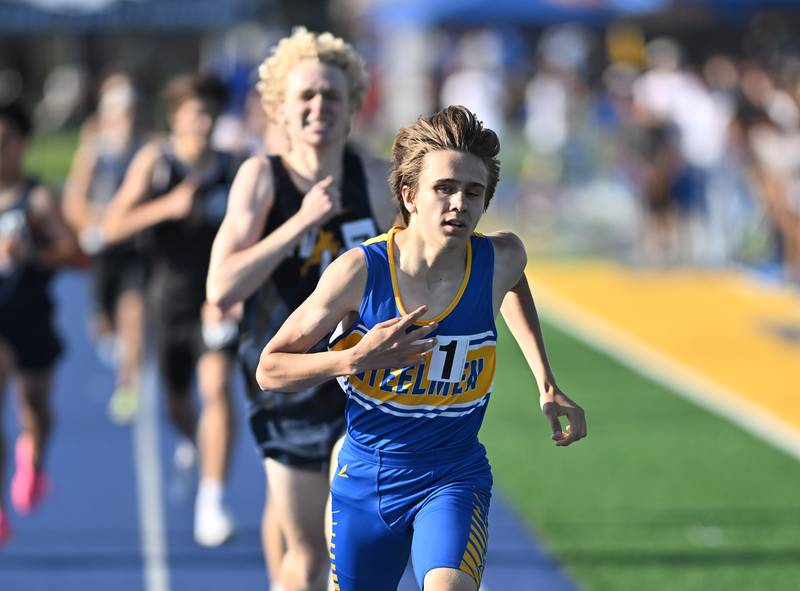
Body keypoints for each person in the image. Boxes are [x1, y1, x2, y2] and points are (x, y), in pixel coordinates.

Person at [255, 105, 587, 591]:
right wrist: (353, 359)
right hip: (366, 479)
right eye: (444, 188)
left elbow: (514, 283)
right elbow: (269, 368)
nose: (459, 203)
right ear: (410, 195)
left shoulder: (501, 257)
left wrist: (547, 382)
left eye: (473, 192)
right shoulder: (360, 272)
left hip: (453, 475)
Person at [205, 28, 396, 590]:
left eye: (332, 96)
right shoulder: (261, 179)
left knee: (348, 540)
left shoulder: (377, 184)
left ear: (353, 107)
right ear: (280, 112)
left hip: (359, 382)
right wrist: (301, 222)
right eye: (306, 97)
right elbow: (221, 287)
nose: (319, 107)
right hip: (284, 380)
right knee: (305, 556)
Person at [102, 73, 241, 547]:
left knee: (218, 389)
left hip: (218, 303)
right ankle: (193, 441)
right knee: (177, 401)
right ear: (176, 115)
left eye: (210, 112)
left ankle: (212, 499)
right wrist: (166, 207)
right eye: (194, 112)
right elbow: (114, 225)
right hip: (167, 301)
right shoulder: (156, 162)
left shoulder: (234, 166)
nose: (203, 122)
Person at [0, 102, 78, 545]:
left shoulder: (38, 199)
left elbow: (77, 254)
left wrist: (30, 254)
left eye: (4, 142)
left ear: (20, 146)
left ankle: (34, 457)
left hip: (31, 318)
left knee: (35, 411)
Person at [63, 72, 147, 424]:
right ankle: (111, 337)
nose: (124, 119)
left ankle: (126, 384)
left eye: (129, 111)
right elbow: (73, 202)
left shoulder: (147, 148)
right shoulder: (94, 150)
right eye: (117, 111)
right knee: (103, 324)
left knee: (133, 313)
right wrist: (94, 223)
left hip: (135, 247)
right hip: (102, 249)